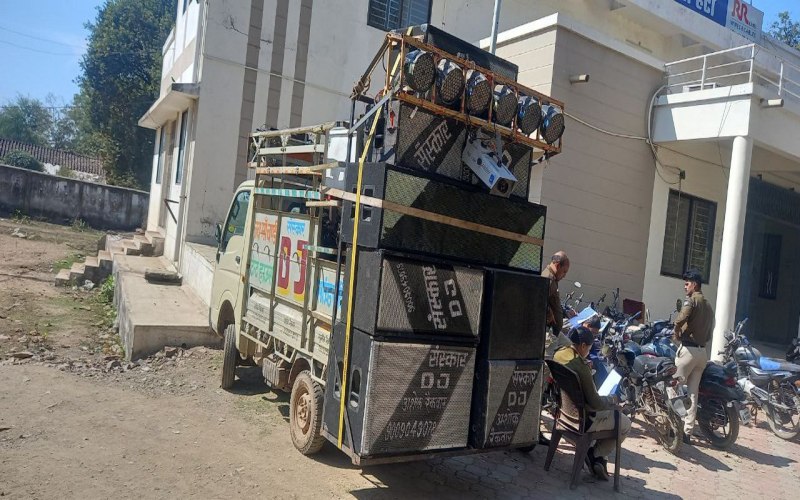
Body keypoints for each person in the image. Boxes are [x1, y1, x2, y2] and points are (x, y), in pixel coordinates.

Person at [554, 326, 631, 480]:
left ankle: (600, 459)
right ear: (583, 346)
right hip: (583, 420)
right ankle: (596, 454)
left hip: (563, 413)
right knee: (625, 423)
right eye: (589, 348)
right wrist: (612, 400)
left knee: (613, 414)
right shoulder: (580, 366)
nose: (589, 352)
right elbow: (596, 402)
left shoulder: (559, 354)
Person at [671, 268, 715, 445]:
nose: (685, 286)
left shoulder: (691, 301)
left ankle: (674, 425)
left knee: (672, 387)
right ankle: (687, 431)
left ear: (694, 285)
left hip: (688, 351)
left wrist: (676, 332)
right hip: (702, 353)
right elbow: (711, 331)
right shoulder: (708, 305)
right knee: (693, 394)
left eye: (687, 283)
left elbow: (680, 319)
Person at [541, 251, 570, 334]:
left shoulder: (553, 278)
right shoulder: (548, 279)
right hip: (548, 331)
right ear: (557, 266)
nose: (564, 276)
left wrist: (566, 312)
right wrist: (549, 313)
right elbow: (539, 300)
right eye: (564, 271)